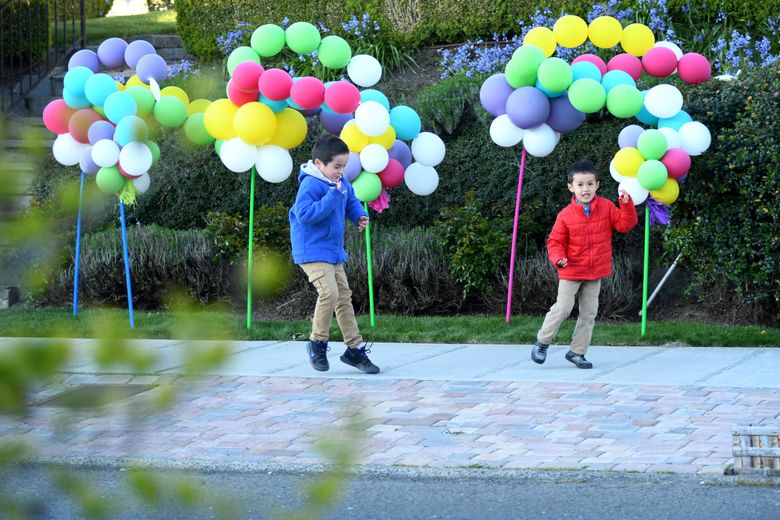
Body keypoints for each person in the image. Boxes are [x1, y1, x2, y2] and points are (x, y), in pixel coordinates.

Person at [531, 159, 638, 369]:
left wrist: (626, 204)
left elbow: (625, 225)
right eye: (580, 185)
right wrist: (558, 259)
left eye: (590, 184)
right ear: (571, 187)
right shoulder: (565, 215)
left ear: (597, 184)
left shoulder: (607, 207)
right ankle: (542, 342)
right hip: (570, 270)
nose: (585, 189)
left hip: (595, 271)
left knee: (589, 314)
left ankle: (577, 352)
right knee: (563, 308)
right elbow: (554, 242)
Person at [289, 134, 380, 374]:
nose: (341, 171)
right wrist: (332, 195)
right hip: (311, 250)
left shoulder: (340, 183)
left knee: (343, 297)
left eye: (344, 166)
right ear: (319, 164)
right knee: (329, 293)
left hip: (332, 251)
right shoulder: (310, 184)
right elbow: (305, 215)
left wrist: (359, 215)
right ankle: (317, 343)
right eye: (336, 166)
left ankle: (354, 349)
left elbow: (350, 200)